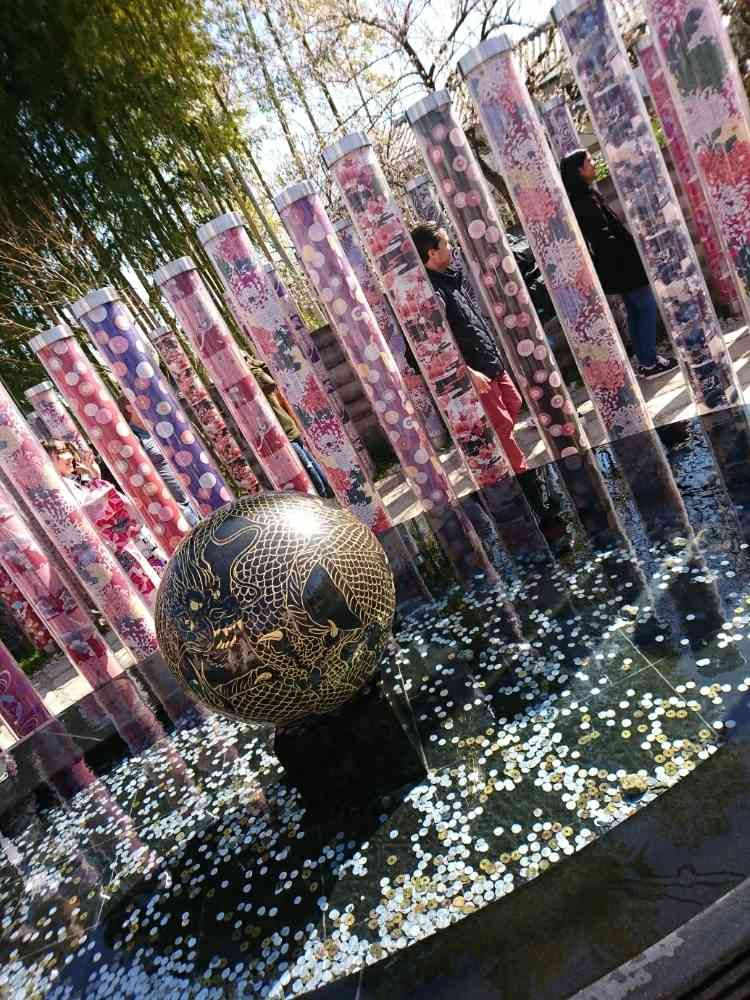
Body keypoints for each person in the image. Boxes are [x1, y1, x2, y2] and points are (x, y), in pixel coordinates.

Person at [410, 222, 528, 473]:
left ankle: (501, 460)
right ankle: (522, 474)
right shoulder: (432, 292)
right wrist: (467, 372)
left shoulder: (452, 278)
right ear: (432, 252)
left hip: (490, 361)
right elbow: (431, 346)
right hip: (475, 371)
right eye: (446, 243)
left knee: (514, 402)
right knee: (502, 426)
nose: (451, 247)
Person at [559, 149, 678, 381]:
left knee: (635, 311)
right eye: (589, 161)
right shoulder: (584, 201)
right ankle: (649, 362)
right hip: (622, 266)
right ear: (579, 170)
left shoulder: (585, 196)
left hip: (617, 266)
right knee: (645, 307)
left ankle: (646, 360)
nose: (594, 163)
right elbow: (603, 236)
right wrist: (628, 257)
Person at [240, 350, 334, 499]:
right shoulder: (250, 383)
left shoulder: (257, 378)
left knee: (308, 465)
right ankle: (328, 494)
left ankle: (325, 495)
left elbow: (269, 383)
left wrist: (250, 365)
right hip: (283, 429)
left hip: (284, 429)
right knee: (309, 463)